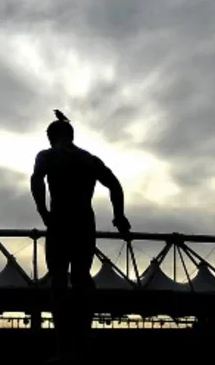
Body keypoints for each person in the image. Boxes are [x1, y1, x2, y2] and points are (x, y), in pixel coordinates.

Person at [30, 109, 130, 360]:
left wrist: (43, 211)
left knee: (59, 281)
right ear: (71, 135)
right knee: (82, 278)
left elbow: (36, 180)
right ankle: (83, 341)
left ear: (51, 137)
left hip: (60, 221)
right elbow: (115, 185)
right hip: (85, 222)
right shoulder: (89, 159)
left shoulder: (47, 155)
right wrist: (119, 217)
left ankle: (63, 347)